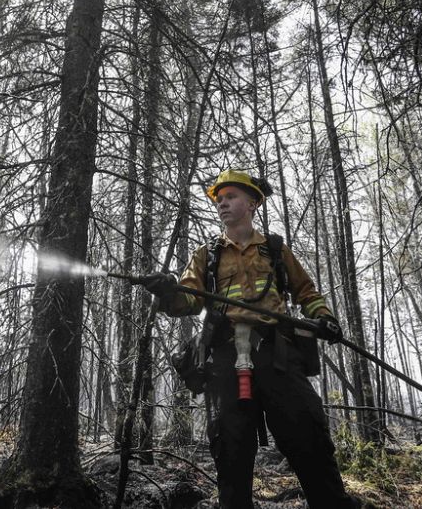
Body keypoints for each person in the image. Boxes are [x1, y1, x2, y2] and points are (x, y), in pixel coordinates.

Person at [145, 170, 356, 509]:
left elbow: (306, 291)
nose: (222, 203)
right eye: (219, 199)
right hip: (226, 360)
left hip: (278, 355)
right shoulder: (206, 254)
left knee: (308, 434)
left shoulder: (274, 249)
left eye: (230, 196)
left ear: (252, 202)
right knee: (229, 448)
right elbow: (189, 301)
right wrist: (168, 291)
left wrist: (324, 318)